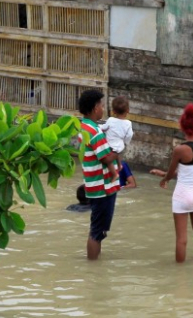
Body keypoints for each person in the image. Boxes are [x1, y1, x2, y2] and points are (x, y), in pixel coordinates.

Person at [150, 103, 193, 263]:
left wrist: (164, 178)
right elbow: (191, 173)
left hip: (182, 196)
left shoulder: (179, 150)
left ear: (183, 127)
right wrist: (165, 175)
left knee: (181, 240)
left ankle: (180, 277)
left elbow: (172, 173)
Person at [78, 89, 121, 260]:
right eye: (101, 105)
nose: (103, 109)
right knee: (98, 231)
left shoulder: (83, 127)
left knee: (97, 229)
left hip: (93, 184)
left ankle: (94, 266)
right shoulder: (95, 131)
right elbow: (106, 157)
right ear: (95, 108)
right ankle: (93, 265)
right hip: (102, 186)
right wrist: (121, 147)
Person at [100, 96, 134, 167]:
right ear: (128, 110)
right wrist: (125, 142)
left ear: (114, 111)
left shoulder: (110, 120)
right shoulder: (128, 123)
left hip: (108, 144)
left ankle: (116, 171)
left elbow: (103, 128)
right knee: (117, 156)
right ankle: (119, 167)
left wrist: (98, 127)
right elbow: (129, 135)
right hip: (119, 146)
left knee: (108, 162)